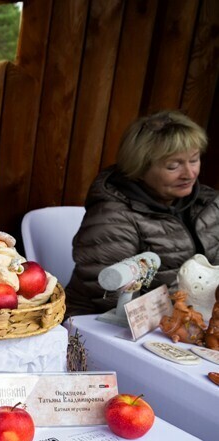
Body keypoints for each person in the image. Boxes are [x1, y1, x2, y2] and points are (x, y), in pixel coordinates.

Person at [66, 110, 218, 316]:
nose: (189, 174)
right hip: (106, 327)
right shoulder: (112, 217)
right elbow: (112, 296)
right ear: (140, 168)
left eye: (194, 160)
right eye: (173, 166)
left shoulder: (208, 202)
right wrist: (188, 316)